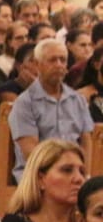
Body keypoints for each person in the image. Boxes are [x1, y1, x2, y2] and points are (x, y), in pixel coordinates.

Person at [9, 39, 92, 181]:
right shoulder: (24, 103)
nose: (59, 65)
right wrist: (62, 173)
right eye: (52, 60)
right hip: (37, 174)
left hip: (74, 173)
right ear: (37, 64)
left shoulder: (77, 100)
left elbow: (86, 141)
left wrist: (86, 174)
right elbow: (32, 153)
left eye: (63, 60)